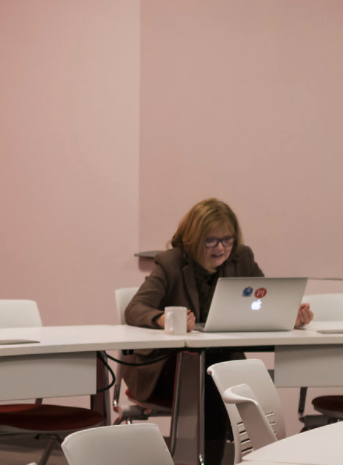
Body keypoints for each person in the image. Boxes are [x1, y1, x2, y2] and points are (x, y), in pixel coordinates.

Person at [124, 198, 312, 464]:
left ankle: (252, 456)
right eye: (211, 240)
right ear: (193, 239)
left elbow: (266, 302)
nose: (221, 248)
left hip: (223, 363)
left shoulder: (242, 258)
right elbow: (134, 308)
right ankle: (217, 458)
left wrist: (291, 316)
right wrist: (163, 319)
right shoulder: (171, 262)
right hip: (169, 369)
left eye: (228, 239)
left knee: (240, 375)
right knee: (217, 374)